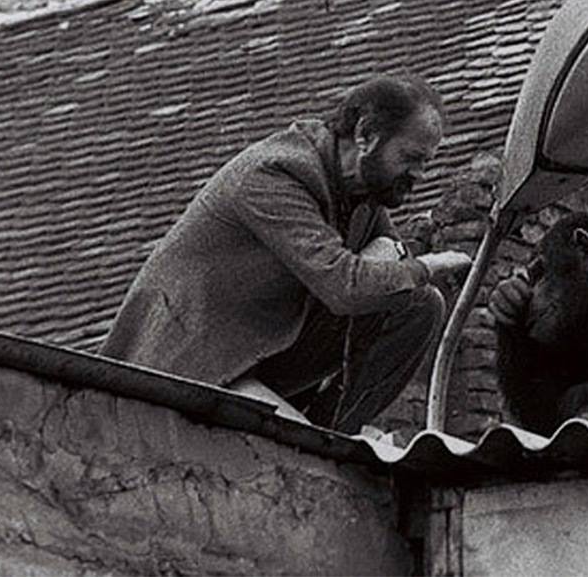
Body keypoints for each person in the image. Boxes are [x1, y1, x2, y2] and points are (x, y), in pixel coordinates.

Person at [100, 74, 471, 432]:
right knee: (400, 278)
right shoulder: (275, 173)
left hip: (256, 357)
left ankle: (336, 433)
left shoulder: (362, 195)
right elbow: (345, 286)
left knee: (419, 305)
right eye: (411, 157)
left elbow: (386, 277)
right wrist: (429, 264)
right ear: (365, 135)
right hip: (188, 363)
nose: (420, 174)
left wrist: (406, 261)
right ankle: (319, 442)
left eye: (426, 163)